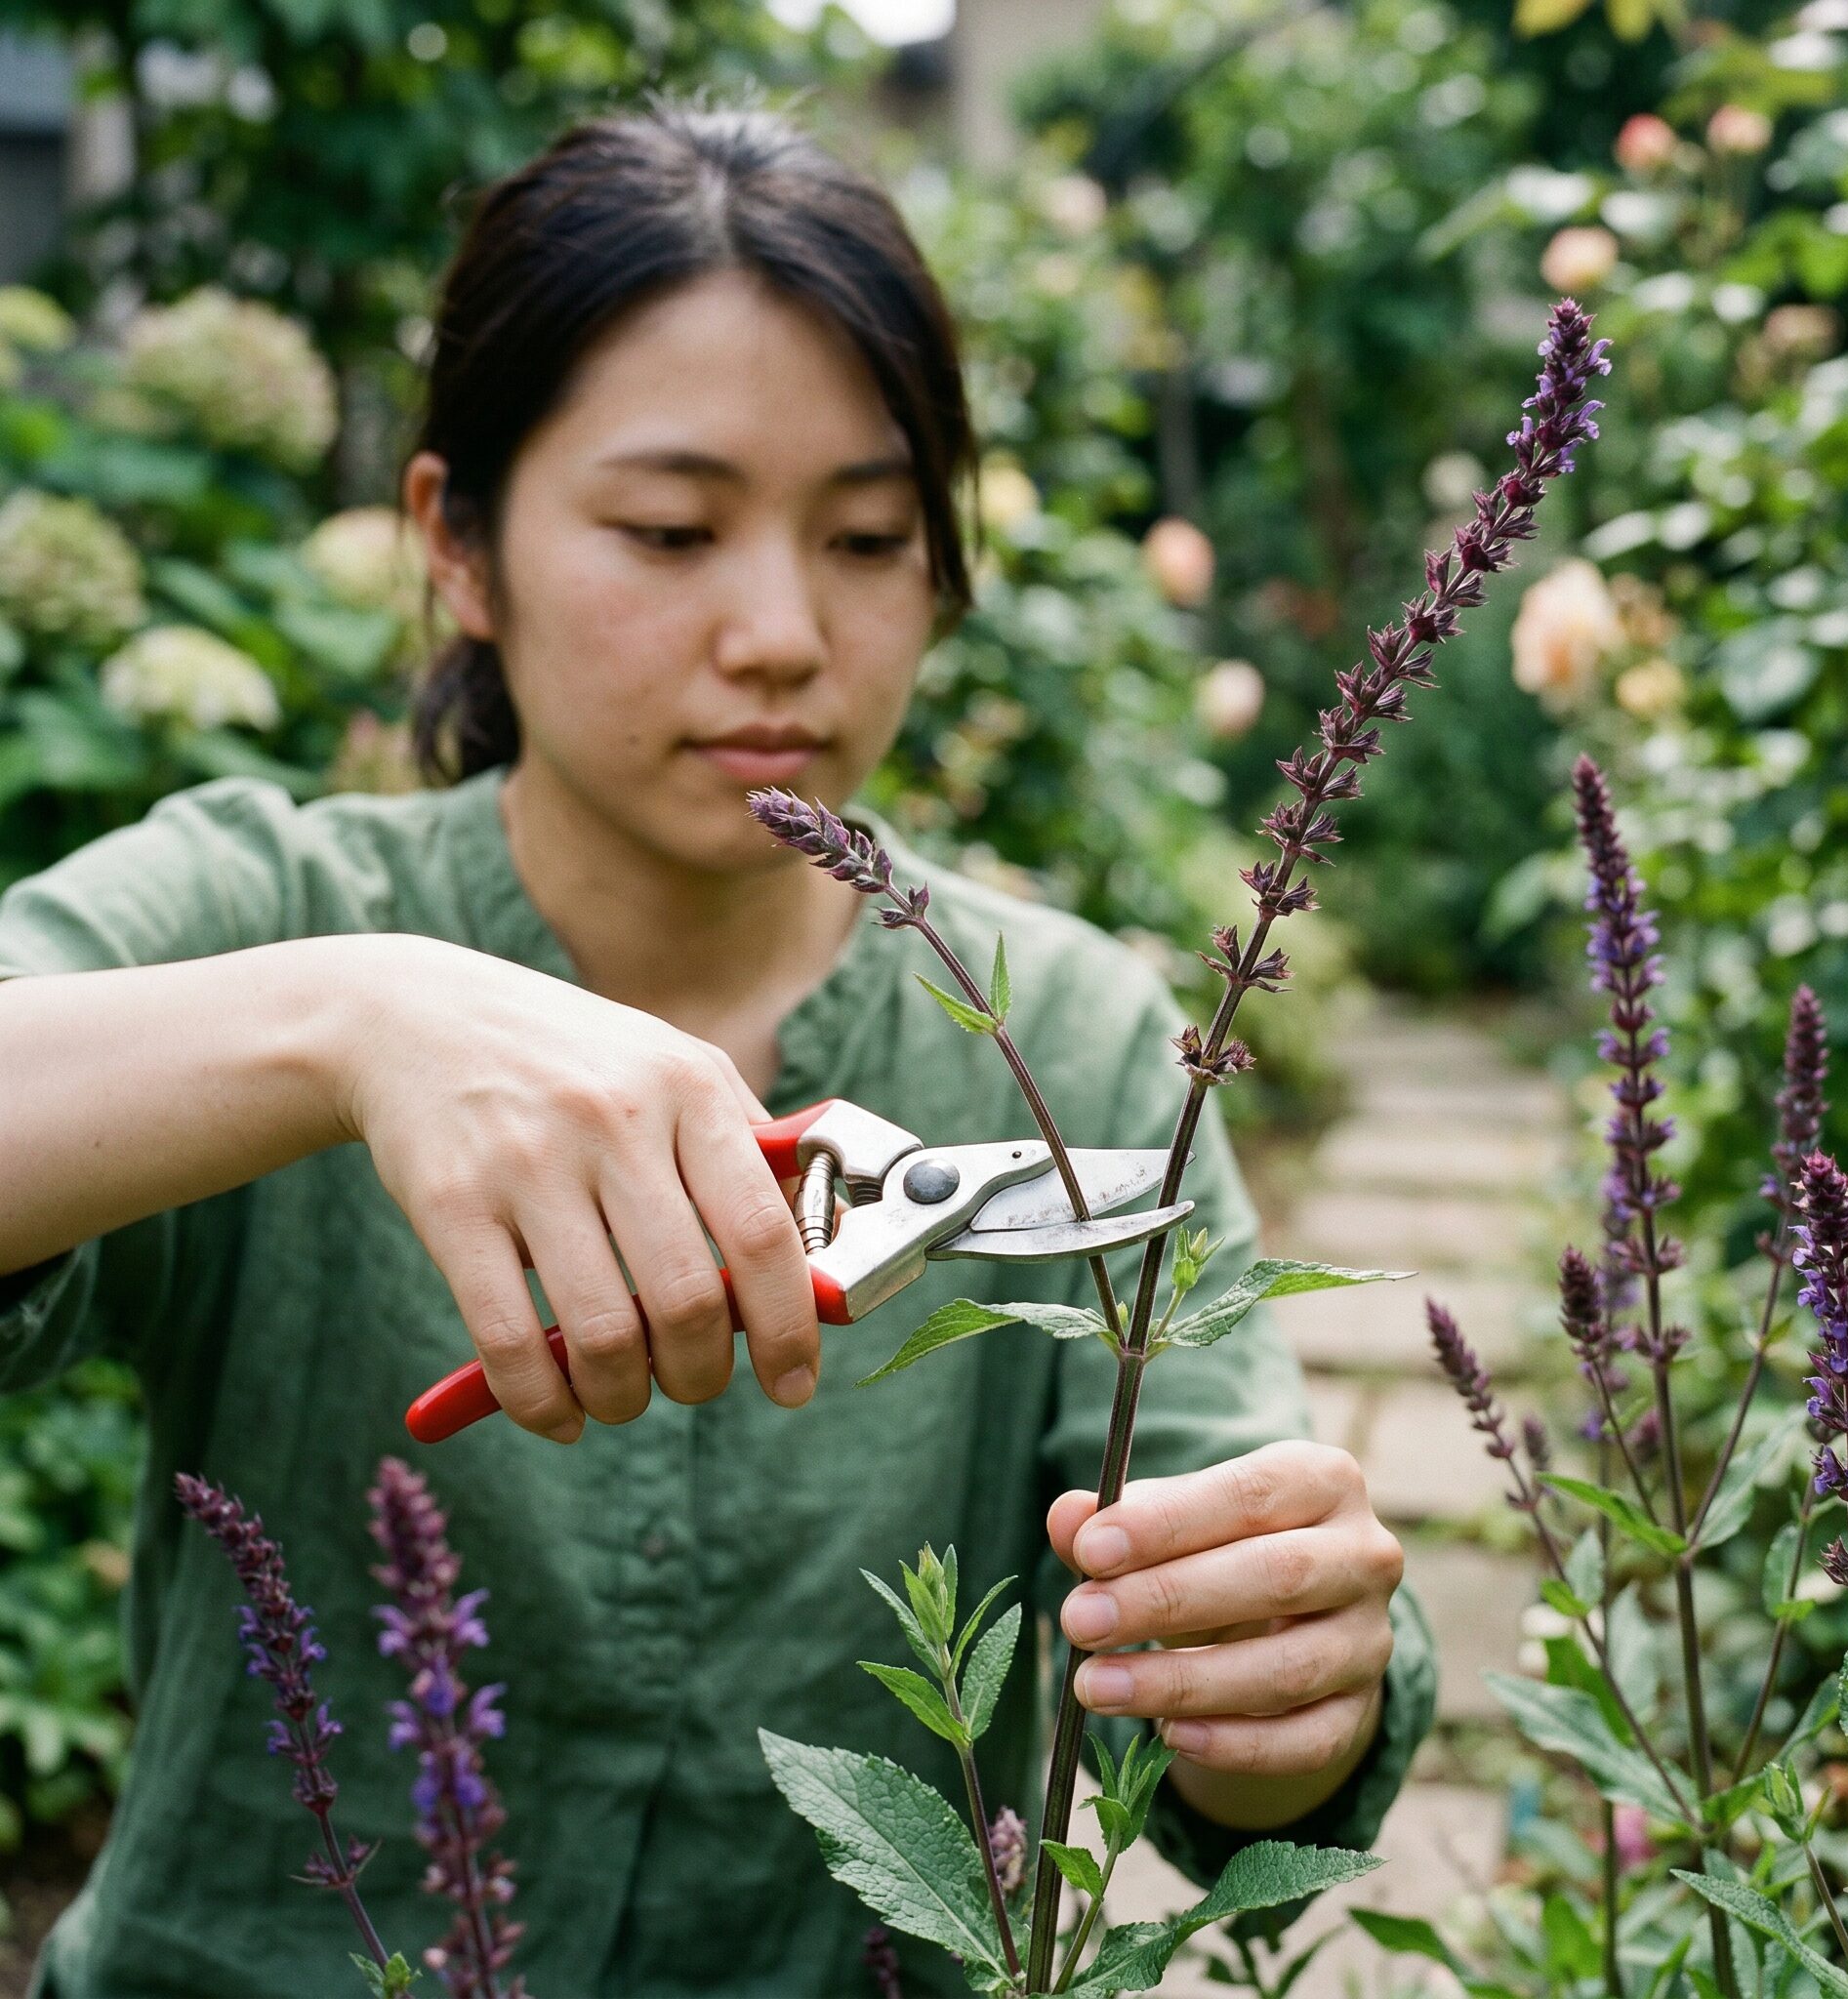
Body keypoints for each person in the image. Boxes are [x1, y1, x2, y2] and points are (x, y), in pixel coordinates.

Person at [0, 102, 1432, 1997]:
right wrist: (347, 1020)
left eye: (867, 537)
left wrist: (1282, 1693)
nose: (779, 632)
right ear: (459, 543)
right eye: (668, 529)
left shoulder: (1060, 1039)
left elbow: (1231, 1628)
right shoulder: (261, 914)